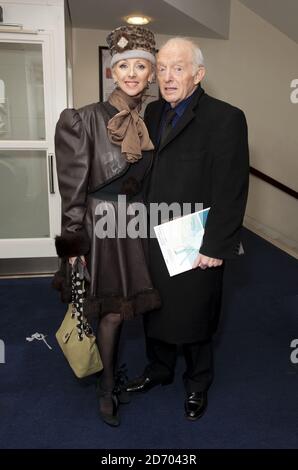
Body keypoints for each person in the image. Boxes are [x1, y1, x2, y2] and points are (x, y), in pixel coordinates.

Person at [126, 38, 250, 421]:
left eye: (177, 68)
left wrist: (216, 245)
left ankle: (198, 382)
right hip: (152, 233)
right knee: (155, 307)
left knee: (195, 315)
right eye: (161, 68)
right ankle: (160, 369)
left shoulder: (226, 118)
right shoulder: (151, 112)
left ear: (198, 74)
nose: (167, 76)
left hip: (195, 239)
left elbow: (231, 189)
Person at [53, 25, 161, 427]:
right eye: (123, 66)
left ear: (150, 74)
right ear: (111, 72)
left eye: (140, 66)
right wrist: (74, 247)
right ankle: (105, 388)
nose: (132, 73)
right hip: (99, 228)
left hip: (133, 224)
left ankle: (111, 373)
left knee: (126, 309)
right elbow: (72, 192)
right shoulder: (82, 119)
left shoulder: (147, 121)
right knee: (111, 313)